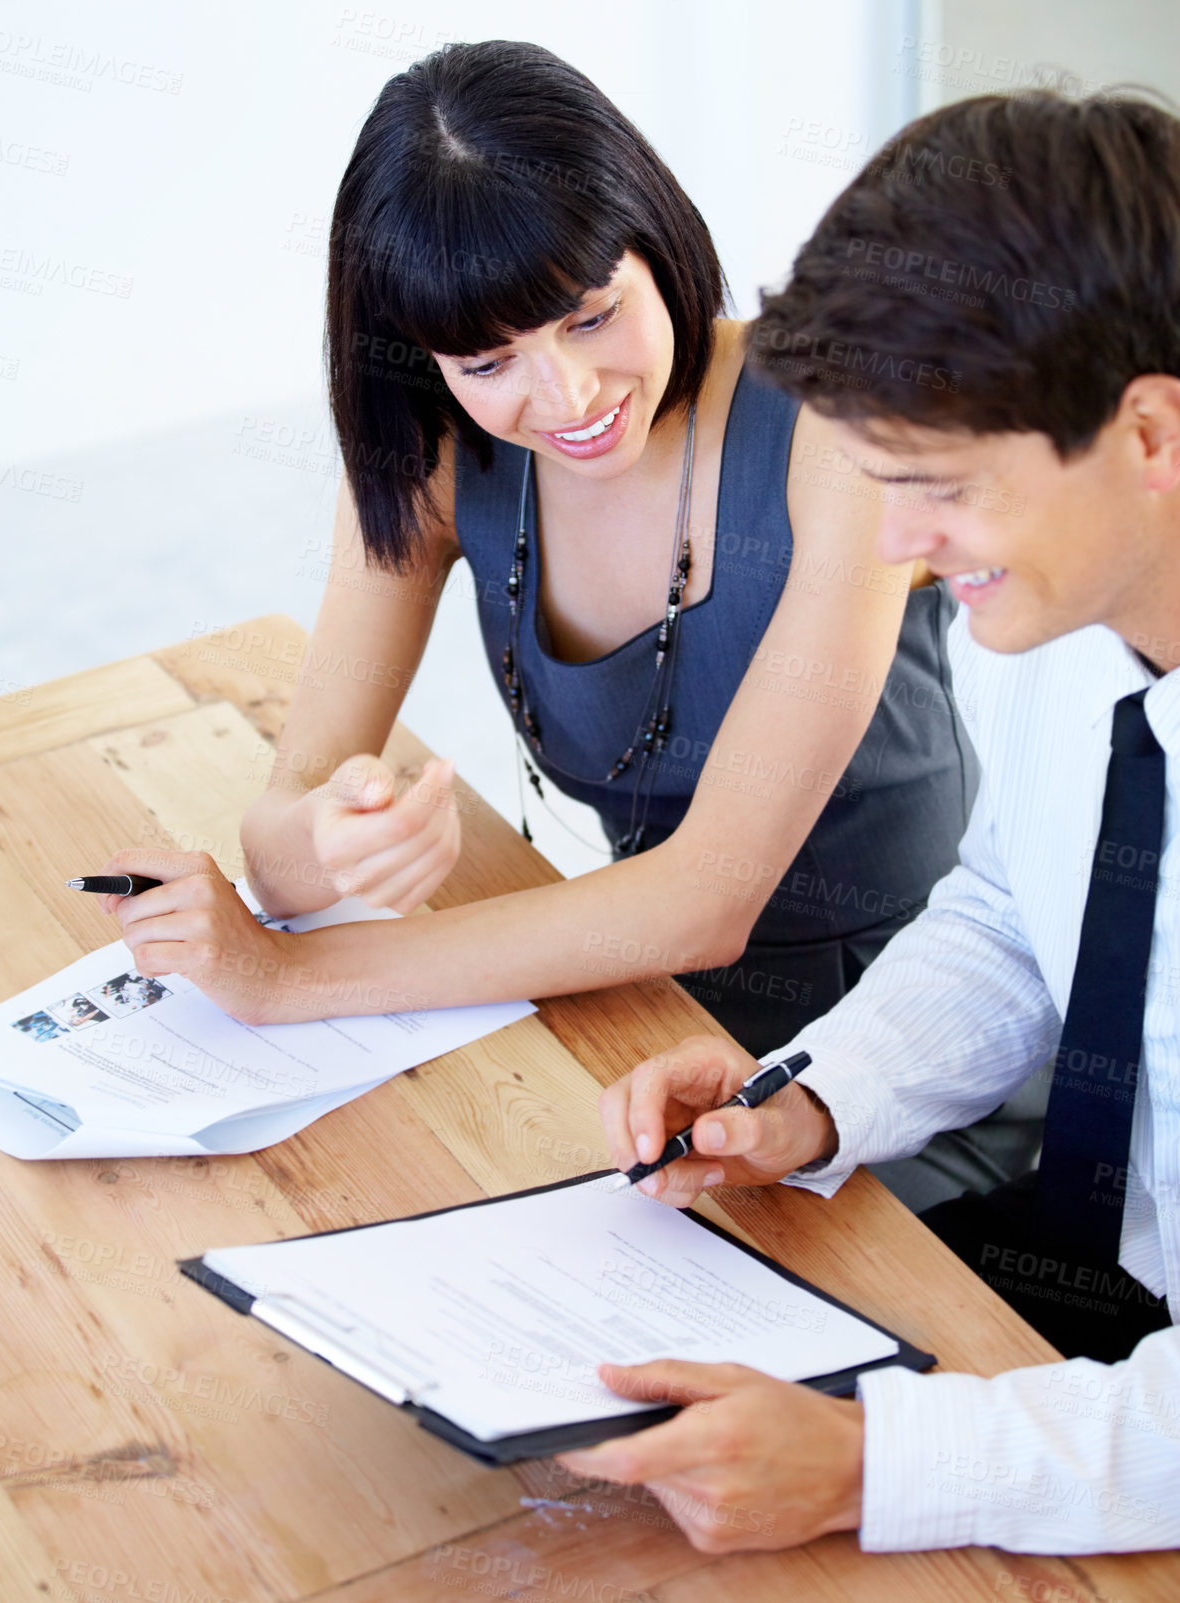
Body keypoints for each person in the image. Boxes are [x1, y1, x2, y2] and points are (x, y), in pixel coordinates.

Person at [97, 40, 1027, 1206]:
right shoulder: (435, 457)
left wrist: (283, 980)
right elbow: (281, 844)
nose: (567, 399)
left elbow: (705, 899)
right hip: (637, 1020)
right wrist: (323, 842)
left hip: (898, 1063)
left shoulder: (830, 430)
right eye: (487, 359)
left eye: (591, 319)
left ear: (657, 240)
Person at [570, 88, 1180, 1555]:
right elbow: (1013, 915)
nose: (896, 548)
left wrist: (869, 1464)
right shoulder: (1034, 619)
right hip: (1096, 1299)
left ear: (1146, 432)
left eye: (939, 489)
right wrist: (814, 1093)